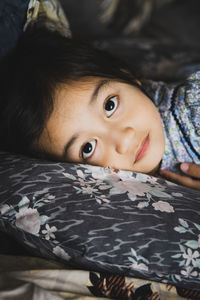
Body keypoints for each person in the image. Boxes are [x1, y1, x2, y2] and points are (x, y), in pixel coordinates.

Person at [0, 24, 199, 190]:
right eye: (88, 148)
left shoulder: (192, 108)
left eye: (110, 105)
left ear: (127, 75)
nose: (124, 139)